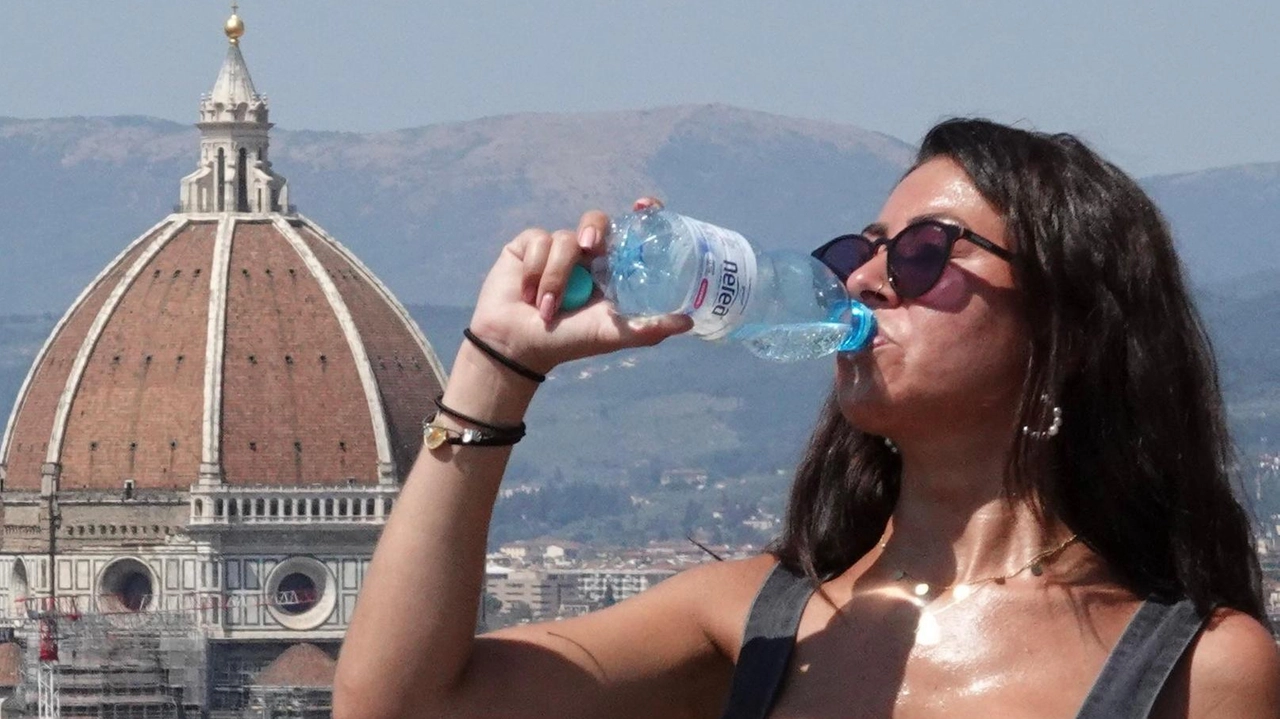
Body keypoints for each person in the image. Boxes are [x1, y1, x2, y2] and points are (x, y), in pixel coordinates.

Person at [333, 118, 1280, 719]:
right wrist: (499, 366)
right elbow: (395, 705)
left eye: (921, 252)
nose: (861, 279)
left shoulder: (1200, 671)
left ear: (1068, 326)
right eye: (856, 250)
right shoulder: (754, 621)